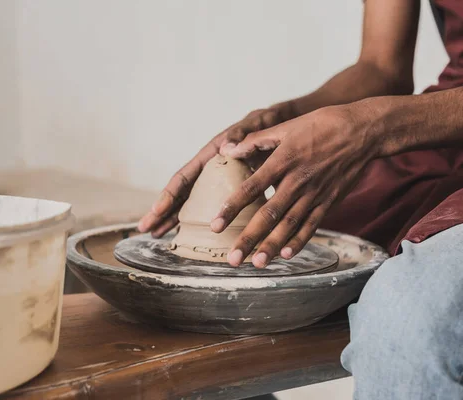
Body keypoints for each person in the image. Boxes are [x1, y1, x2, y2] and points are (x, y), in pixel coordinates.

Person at [139, 0, 463, 398]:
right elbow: (381, 66)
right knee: (220, 291)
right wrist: (285, 116)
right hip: (440, 140)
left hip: (421, 127)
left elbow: (382, 115)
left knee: (405, 313)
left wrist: (372, 126)